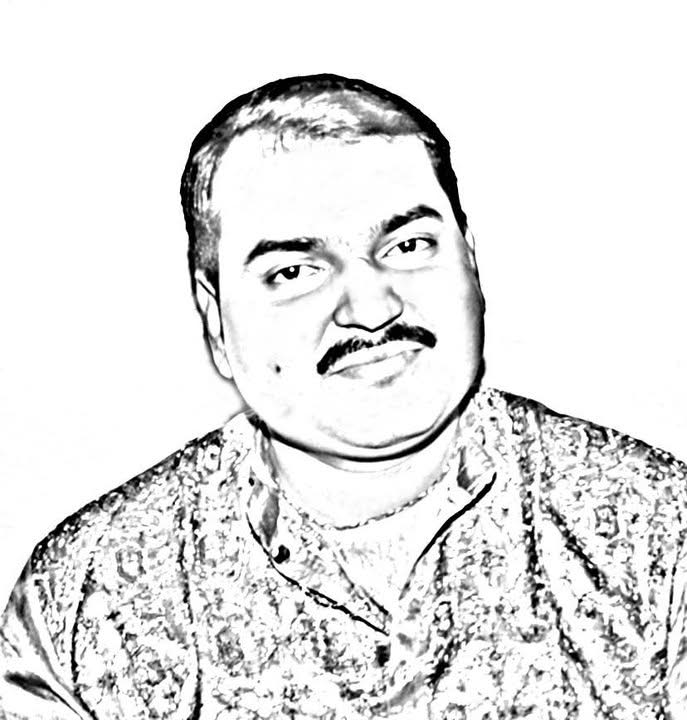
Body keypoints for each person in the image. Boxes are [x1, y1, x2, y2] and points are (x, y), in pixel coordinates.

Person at [1, 74, 685, 720]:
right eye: (294, 271)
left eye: (408, 245)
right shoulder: (84, 601)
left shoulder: (660, 534)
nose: (371, 308)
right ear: (215, 320)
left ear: (471, 264)